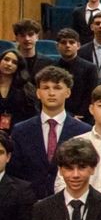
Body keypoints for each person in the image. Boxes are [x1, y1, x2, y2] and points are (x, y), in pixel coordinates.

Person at [9, 67, 92, 199]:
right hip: (28, 203)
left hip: (69, 202)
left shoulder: (84, 131)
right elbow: (14, 172)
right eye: (46, 88)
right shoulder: (20, 130)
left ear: (68, 92)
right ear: (38, 93)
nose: (51, 93)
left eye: (57, 87)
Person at [51, 29, 99, 120]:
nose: (67, 45)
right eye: (63, 42)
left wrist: (79, 115)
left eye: (71, 42)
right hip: (57, 116)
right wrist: (68, 116)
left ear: (78, 46)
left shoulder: (90, 68)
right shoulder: (51, 68)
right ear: (57, 46)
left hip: (83, 118)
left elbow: (90, 95)